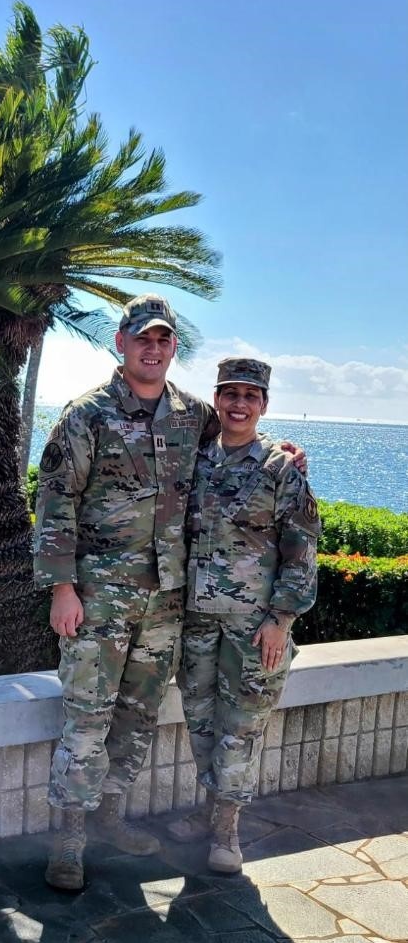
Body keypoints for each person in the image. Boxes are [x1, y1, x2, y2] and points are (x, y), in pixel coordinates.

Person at [34, 299, 305, 891]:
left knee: (136, 717)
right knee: (86, 716)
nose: (152, 349)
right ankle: (70, 841)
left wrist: (286, 449)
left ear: (173, 348)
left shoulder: (192, 413)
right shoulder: (87, 415)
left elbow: (242, 434)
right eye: (142, 339)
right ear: (120, 341)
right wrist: (61, 587)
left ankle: (108, 821)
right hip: (98, 599)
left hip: (167, 606)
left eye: (163, 340)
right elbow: (55, 501)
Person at [167, 357, 320, 874]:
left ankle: (227, 830)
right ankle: (208, 809)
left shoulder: (280, 467)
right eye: (230, 393)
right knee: (202, 722)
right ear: (217, 399)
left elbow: (301, 549)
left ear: (264, 405)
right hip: (196, 620)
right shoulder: (196, 460)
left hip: (255, 627)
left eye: (249, 396)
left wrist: (282, 620)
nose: (238, 403)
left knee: (242, 727)